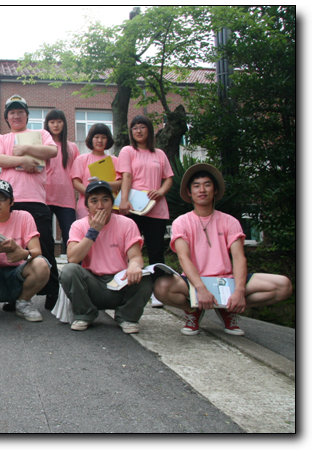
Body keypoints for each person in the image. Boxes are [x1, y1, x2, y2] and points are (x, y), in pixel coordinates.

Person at [153, 164, 292, 336]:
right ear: (189, 192)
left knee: (283, 286)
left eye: (207, 184)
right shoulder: (181, 222)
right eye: (196, 186)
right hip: (194, 281)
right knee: (161, 287)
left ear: (215, 190)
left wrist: (239, 291)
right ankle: (193, 310)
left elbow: (239, 258)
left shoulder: (230, 221)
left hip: (227, 281)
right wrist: (201, 289)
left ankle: (229, 307)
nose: (202, 190)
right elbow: (184, 258)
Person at [0, 94, 59, 310]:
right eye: (12, 112)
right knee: (13, 250)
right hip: (10, 203)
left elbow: (52, 151)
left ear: (27, 115)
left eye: (20, 112)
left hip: (37, 201)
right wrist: (22, 160)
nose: (16, 116)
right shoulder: (1, 138)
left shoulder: (41, 134)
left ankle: (53, 294)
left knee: (45, 248)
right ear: (6, 117)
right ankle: (15, 296)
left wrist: (26, 149)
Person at [60, 180, 152, 334]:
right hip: (93, 284)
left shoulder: (127, 224)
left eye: (105, 199)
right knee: (69, 271)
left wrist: (135, 265)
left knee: (145, 277)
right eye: (94, 201)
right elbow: (73, 258)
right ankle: (85, 314)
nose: (100, 206)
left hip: (121, 282)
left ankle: (127, 317)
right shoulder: (79, 225)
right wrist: (93, 231)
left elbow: (136, 257)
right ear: (87, 206)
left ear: (112, 203)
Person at [0, 180, 50, 322]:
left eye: (2, 198)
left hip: (18, 273)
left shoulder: (24, 216)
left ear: (11, 201)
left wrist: (23, 254)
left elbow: (36, 250)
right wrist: (3, 248)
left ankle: (23, 302)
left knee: (41, 264)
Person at [117, 115, 173, 307]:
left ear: (149, 130)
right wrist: (124, 200)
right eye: (135, 128)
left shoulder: (160, 154)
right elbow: (126, 176)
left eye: (142, 127)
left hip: (156, 209)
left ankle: (158, 293)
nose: (138, 131)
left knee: (156, 252)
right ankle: (125, 290)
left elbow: (168, 178)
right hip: (133, 208)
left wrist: (161, 192)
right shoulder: (127, 151)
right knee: (128, 251)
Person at [43, 109, 79, 256]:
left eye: (59, 121)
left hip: (66, 198)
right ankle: (48, 268)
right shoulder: (42, 146)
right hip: (44, 196)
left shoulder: (72, 147)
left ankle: (74, 267)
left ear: (64, 124)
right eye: (52, 122)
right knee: (45, 237)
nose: (56, 125)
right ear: (47, 124)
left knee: (70, 236)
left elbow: (77, 173)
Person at [70, 123, 122, 220]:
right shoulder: (81, 159)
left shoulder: (115, 160)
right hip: (86, 207)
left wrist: (101, 184)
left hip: (110, 207)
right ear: (91, 139)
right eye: (96, 137)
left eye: (103, 137)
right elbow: (76, 182)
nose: (100, 140)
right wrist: (91, 194)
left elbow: (120, 184)